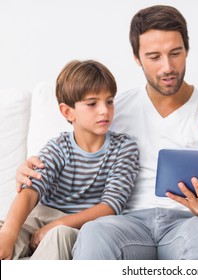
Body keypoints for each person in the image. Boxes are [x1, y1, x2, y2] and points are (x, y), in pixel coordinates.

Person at [15, 5, 198, 260]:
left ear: (187, 51)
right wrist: (29, 168)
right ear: (137, 58)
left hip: (189, 222)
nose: (167, 67)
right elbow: (75, 150)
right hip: (126, 223)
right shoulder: (113, 111)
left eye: (175, 53)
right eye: (154, 57)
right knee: (94, 232)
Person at [0, 60, 140, 260]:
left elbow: (111, 206)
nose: (104, 110)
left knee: (58, 236)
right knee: (7, 230)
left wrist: (58, 224)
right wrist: (8, 234)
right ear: (68, 112)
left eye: (109, 101)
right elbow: (30, 193)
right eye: (92, 104)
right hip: (41, 216)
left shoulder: (124, 148)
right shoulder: (59, 147)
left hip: (81, 225)